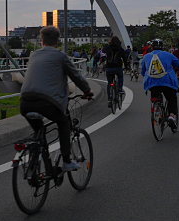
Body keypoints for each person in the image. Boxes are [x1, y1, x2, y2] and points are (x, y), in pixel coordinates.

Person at [20, 26, 93, 172]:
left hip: (25, 101)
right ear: (57, 41)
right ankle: (66, 161)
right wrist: (87, 91)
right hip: (47, 102)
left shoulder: (33, 55)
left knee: (39, 132)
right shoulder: (60, 56)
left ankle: (36, 164)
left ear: (42, 40)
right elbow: (76, 76)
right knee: (64, 122)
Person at [140, 38, 179, 130]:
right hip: (167, 82)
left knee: (155, 96)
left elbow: (142, 71)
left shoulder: (146, 56)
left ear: (152, 47)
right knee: (171, 98)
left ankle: (157, 110)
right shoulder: (169, 55)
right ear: (162, 47)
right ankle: (172, 116)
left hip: (152, 83)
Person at [103, 36, 127, 107]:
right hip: (118, 67)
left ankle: (109, 99)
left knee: (109, 83)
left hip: (109, 68)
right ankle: (119, 89)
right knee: (120, 77)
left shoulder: (107, 47)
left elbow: (102, 54)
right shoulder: (120, 49)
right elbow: (124, 58)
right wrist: (126, 66)